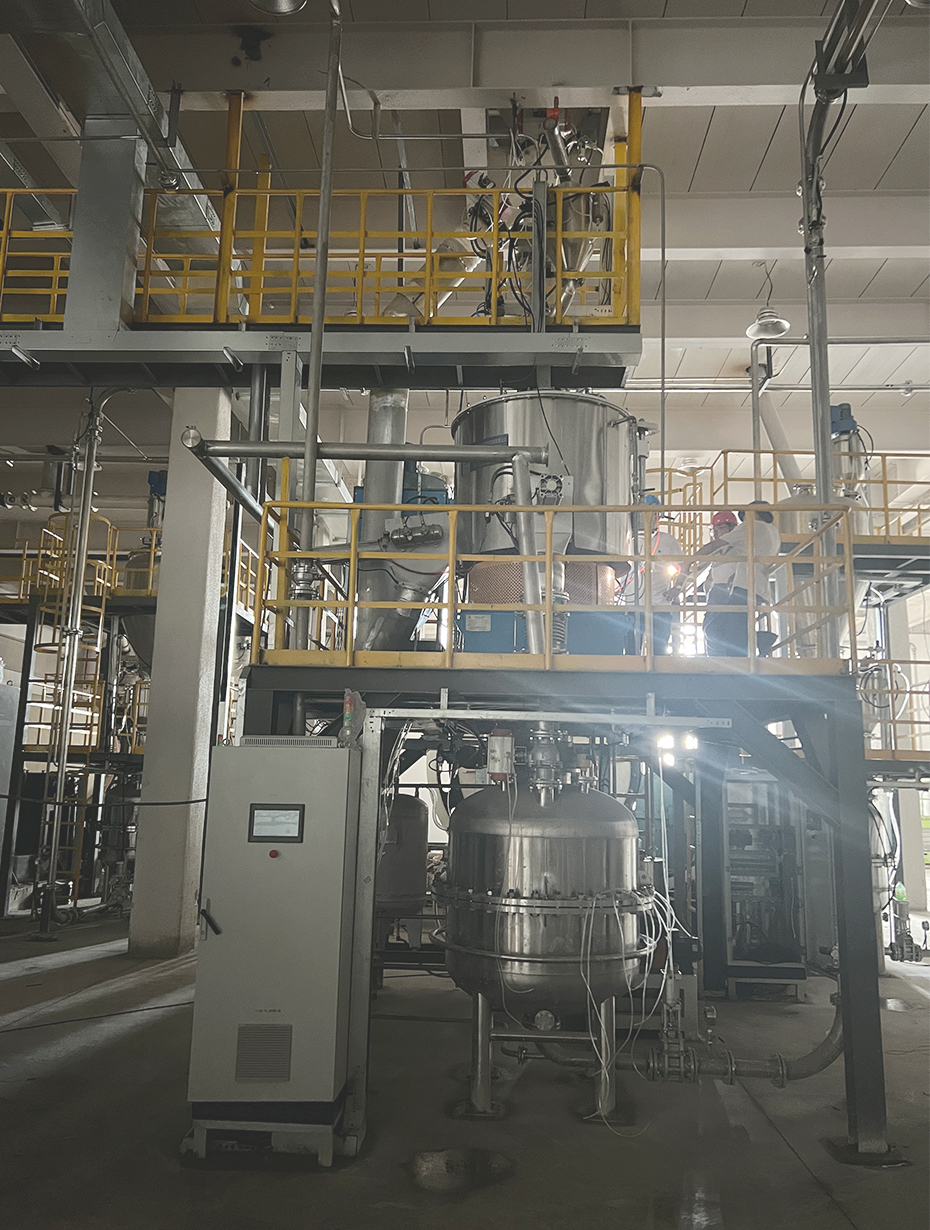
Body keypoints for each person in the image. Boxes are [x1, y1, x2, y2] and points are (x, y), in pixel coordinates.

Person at [684, 502, 781, 657]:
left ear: (754, 514)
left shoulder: (753, 527)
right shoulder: (773, 533)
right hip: (756, 585)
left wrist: (688, 562)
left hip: (743, 584)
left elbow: (715, 545)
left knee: (724, 631)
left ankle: (749, 651)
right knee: (732, 629)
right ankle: (757, 642)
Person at [615, 495, 682, 655]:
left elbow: (684, 565)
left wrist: (678, 587)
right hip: (633, 606)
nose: (647, 517)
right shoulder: (627, 540)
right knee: (631, 652)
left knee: (659, 652)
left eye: (652, 513)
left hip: (659, 606)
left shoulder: (667, 541)